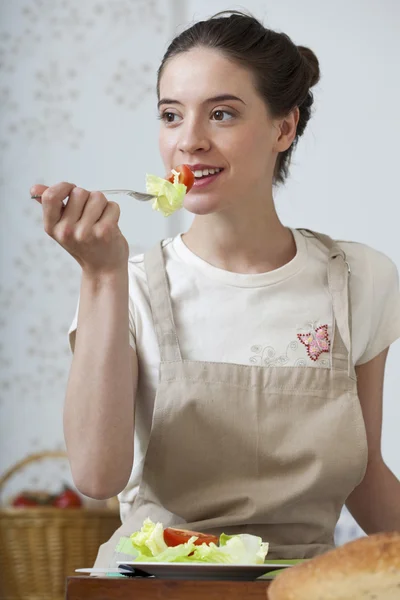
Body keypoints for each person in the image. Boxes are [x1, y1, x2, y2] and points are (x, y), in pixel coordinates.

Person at [30, 11, 400, 567]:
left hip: (302, 580)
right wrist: (100, 276)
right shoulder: (124, 283)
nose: (189, 141)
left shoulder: (359, 279)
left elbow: (365, 473)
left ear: (284, 127)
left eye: (221, 114)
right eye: (171, 115)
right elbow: (95, 474)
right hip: (157, 581)